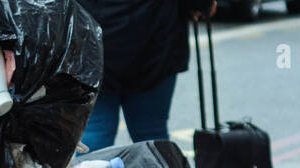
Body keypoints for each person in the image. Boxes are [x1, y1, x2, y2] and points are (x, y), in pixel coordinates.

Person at [78, 1, 217, 152]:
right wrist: (202, 6)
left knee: (96, 130)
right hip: (155, 44)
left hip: (93, 46)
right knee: (151, 134)